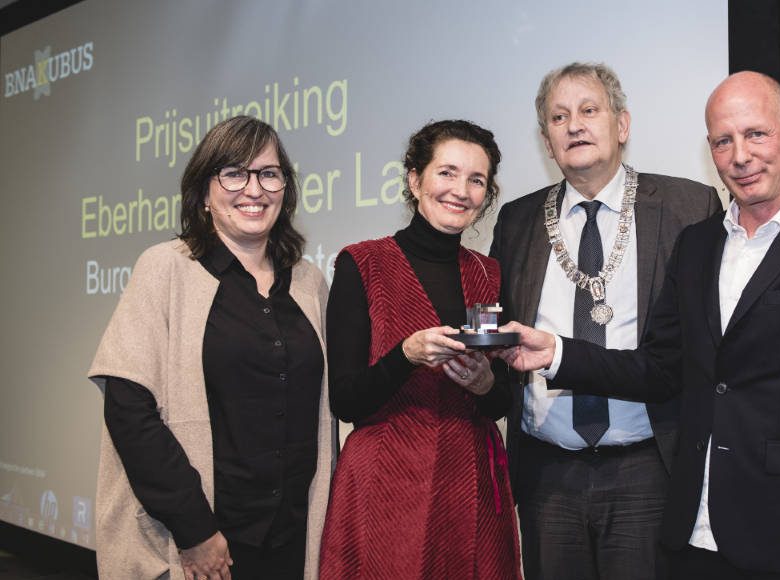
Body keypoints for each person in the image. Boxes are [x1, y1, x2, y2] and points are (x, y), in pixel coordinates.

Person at [500, 71, 780, 580]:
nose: (740, 156)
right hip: (691, 535)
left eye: (756, 134)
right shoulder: (697, 244)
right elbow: (660, 369)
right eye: (723, 141)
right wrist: (556, 353)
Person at [488, 62, 720, 580]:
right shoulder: (518, 221)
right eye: (558, 116)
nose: (574, 125)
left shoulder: (687, 206)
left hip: (648, 467)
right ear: (546, 141)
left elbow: (702, 346)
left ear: (623, 125)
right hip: (547, 474)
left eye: (589, 110)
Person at [89, 116, 334, 580]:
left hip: (292, 539)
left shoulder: (309, 283)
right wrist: (195, 529)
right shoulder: (166, 268)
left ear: (286, 188)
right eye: (234, 173)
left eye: (268, 173)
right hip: (203, 544)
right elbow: (127, 408)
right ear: (204, 193)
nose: (254, 189)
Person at [318, 119, 520, 579]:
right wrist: (404, 356)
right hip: (386, 483)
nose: (460, 190)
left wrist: (486, 383)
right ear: (414, 179)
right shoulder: (362, 263)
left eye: (476, 180)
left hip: (470, 481)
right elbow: (346, 401)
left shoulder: (488, 273)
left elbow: (503, 400)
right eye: (447, 173)